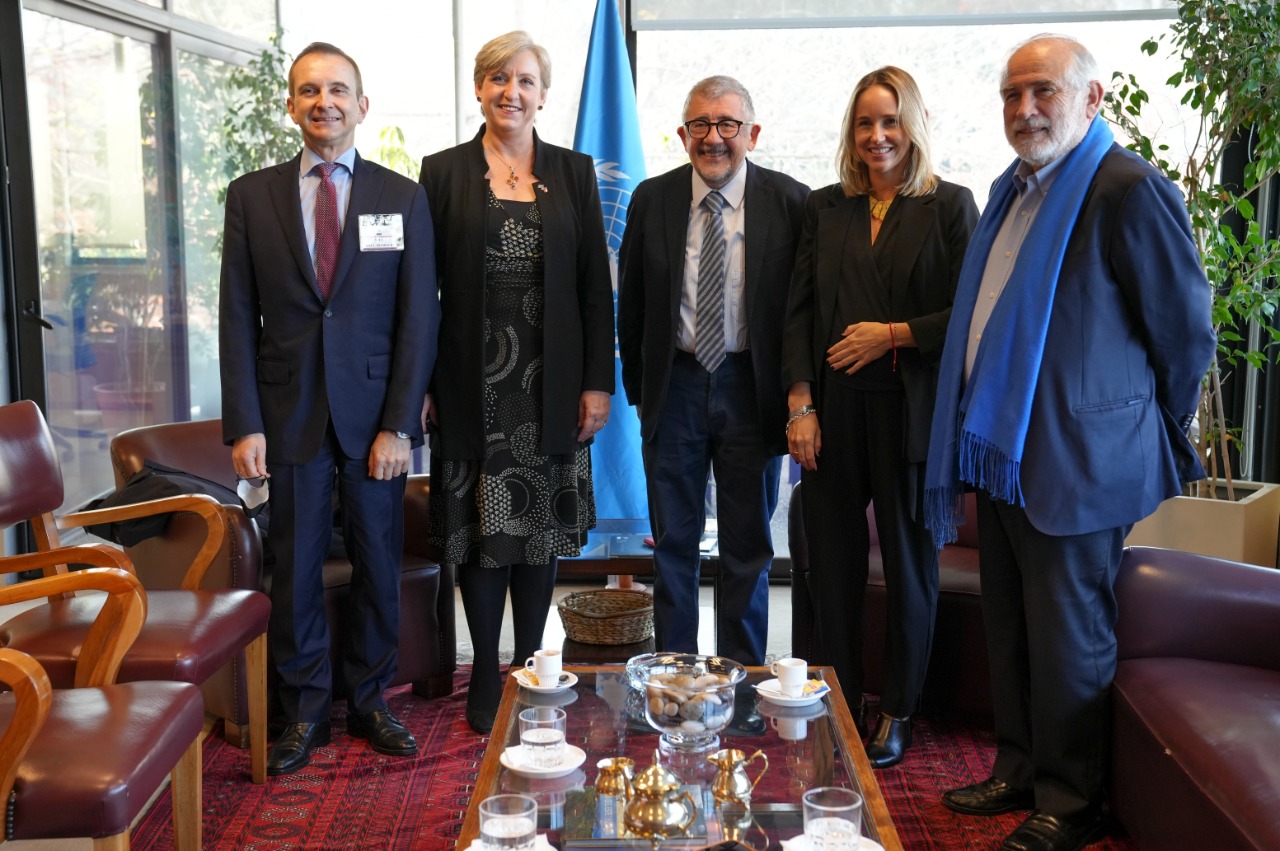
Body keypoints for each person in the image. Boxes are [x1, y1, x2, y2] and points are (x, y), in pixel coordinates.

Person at [925, 35, 1215, 851]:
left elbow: (1185, 333)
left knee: (1069, 633)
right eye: (1014, 94)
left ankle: (1073, 798)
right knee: (1013, 622)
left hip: (1082, 462)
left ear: (1091, 99)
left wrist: (1144, 424)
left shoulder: (1127, 188)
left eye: (1043, 92)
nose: (1025, 110)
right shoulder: (1013, 190)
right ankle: (1019, 767)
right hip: (1008, 453)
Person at [220, 42, 440, 775]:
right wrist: (245, 421)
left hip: (375, 419)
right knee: (296, 565)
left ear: (362, 105)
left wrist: (400, 424)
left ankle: (370, 700)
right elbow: (236, 314)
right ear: (292, 105)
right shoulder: (250, 197)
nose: (326, 102)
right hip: (288, 416)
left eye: (339, 89)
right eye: (309, 90)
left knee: (378, 561)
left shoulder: (401, 196)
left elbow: (417, 319)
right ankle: (303, 709)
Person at [780, 67, 978, 768]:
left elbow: (969, 313)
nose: (877, 135)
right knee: (830, 568)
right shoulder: (825, 209)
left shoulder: (950, 206)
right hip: (832, 412)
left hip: (911, 414)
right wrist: (800, 404)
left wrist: (891, 333)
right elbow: (799, 311)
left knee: (908, 566)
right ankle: (839, 696)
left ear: (912, 125)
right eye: (865, 122)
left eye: (890, 121)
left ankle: (898, 708)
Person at [418, 31, 614, 735]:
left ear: (542, 93)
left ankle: (533, 664)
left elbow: (596, 286)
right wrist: (422, 381)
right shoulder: (441, 173)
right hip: (471, 380)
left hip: (550, 378)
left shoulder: (573, 171)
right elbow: (422, 292)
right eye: (499, 78)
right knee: (481, 531)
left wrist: (598, 382)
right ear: (479, 88)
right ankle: (486, 676)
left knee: (538, 531)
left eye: (526, 80)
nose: (512, 92)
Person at [618, 76, 809, 667]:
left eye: (728, 124)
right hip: (673, 384)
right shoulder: (653, 197)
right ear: (682, 135)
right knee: (673, 540)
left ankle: (743, 677)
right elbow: (634, 298)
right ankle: (676, 677)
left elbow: (803, 306)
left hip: (752, 386)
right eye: (700, 125)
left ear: (752, 133)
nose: (714, 138)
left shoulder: (792, 201)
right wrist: (642, 392)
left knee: (747, 543)